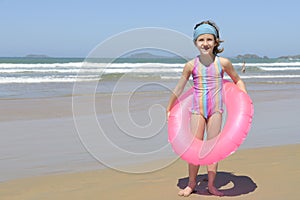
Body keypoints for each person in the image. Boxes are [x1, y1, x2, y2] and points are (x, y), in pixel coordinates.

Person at [166, 20, 247, 197]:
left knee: (212, 149)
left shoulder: (223, 63)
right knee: (194, 148)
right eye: (201, 40)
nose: (205, 43)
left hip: (215, 111)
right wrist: (169, 107)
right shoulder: (190, 65)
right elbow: (179, 88)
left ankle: (211, 185)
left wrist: (243, 97)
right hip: (197, 111)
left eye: (209, 39)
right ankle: (192, 183)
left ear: (216, 42)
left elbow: (237, 80)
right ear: (195, 42)